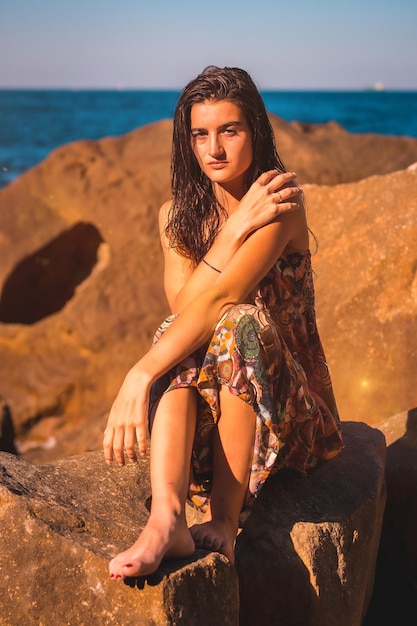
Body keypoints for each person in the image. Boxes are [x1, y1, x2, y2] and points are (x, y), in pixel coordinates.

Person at [103, 66, 344, 581]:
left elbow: (224, 298)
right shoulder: (175, 218)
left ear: (255, 130)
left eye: (229, 130)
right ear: (186, 141)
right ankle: (165, 517)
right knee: (180, 330)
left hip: (288, 418)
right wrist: (231, 229)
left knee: (239, 323)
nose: (214, 148)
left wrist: (138, 374)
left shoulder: (279, 201)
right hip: (209, 426)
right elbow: (188, 309)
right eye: (200, 134)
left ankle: (224, 519)